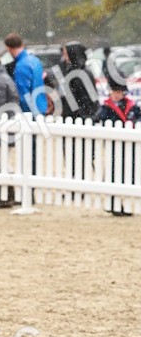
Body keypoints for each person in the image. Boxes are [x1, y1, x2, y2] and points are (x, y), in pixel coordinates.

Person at [95, 83, 140, 216]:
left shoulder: (133, 108)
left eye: (118, 92)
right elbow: (98, 120)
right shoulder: (105, 108)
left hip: (130, 147)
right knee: (113, 174)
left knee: (129, 175)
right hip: (113, 147)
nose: (115, 94)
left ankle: (124, 204)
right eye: (113, 91)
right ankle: (112, 204)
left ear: (123, 93)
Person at [4, 33, 47, 116]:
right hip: (41, 106)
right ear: (22, 44)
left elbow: (24, 95)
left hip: (31, 113)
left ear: (9, 48)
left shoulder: (21, 66)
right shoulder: (35, 60)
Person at [57, 43, 97, 121]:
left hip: (79, 118)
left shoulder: (79, 74)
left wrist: (81, 116)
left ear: (73, 54)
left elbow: (85, 99)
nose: (65, 57)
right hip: (75, 117)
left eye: (66, 54)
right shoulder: (75, 70)